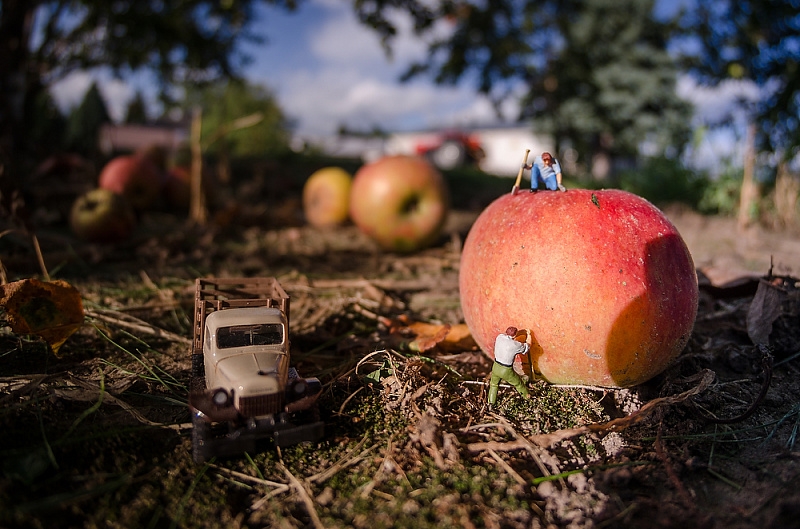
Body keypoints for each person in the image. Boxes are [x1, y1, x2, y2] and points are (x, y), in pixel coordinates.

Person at [488, 326, 531, 405]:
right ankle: (527, 397)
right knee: (518, 384)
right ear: (515, 335)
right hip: (506, 369)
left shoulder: (499, 337)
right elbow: (525, 348)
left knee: (493, 384)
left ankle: (491, 403)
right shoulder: (514, 345)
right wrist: (529, 340)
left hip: (495, 366)